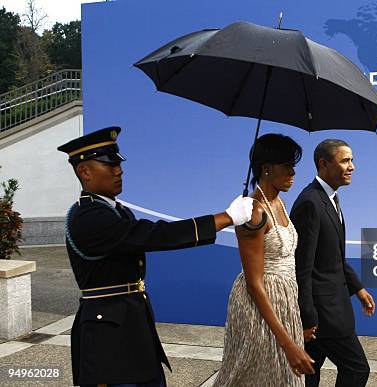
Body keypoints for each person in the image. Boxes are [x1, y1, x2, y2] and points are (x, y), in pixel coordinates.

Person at [57, 126, 254, 387]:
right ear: (84, 172)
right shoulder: (89, 217)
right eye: (109, 164)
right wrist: (226, 218)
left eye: (118, 163)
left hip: (132, 325)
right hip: (108, 338)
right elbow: (154, 235)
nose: (119, 170)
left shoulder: (116, 210)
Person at [214, 133, 315, 386]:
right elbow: (254, 283)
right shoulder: (254, 211)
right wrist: (288, 344)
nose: (293, 173)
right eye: (287, 166)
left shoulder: (279, 203)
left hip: (284, 303)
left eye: (294, 166)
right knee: (256, 378)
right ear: (266, 169)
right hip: (258, 307)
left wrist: (295, 320)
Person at [290, 139, 376, 387]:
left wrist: (357, 288)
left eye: (352, 160)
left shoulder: (331, 199)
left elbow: (333, 257)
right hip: (324, 313)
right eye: (345, 160)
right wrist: (308, 317)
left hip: (330, 306)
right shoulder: (310, 203)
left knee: (309, 373)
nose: (352, 167)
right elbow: (302, 267)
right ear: (323, 164)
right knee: (357, 368)